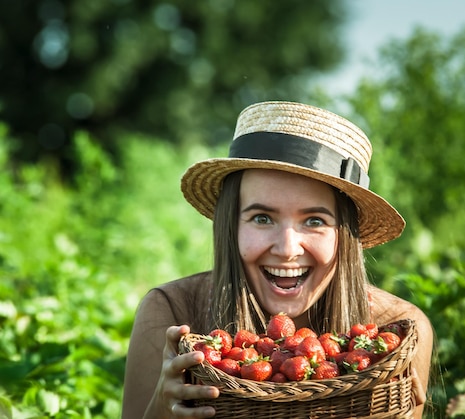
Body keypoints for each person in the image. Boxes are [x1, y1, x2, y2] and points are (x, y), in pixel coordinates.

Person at [122, 101, 434, 418]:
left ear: (345, 236)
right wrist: (161, 408)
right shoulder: (174, 312)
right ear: (231, 227)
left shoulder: (396, 334)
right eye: (262, 218)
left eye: (314, 221)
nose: (287, 249)